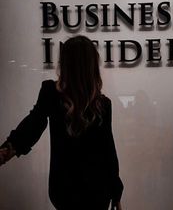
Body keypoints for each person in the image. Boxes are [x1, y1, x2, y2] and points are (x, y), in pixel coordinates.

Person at [0, 35, 124, 210]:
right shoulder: (101, 104)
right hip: (97, 190)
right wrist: (116, 192)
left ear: (66, 64)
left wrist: (7, 150)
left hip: (65, 188)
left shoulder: (52, 93)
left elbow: (32, 126)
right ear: (92, 66)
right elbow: (108, 151)